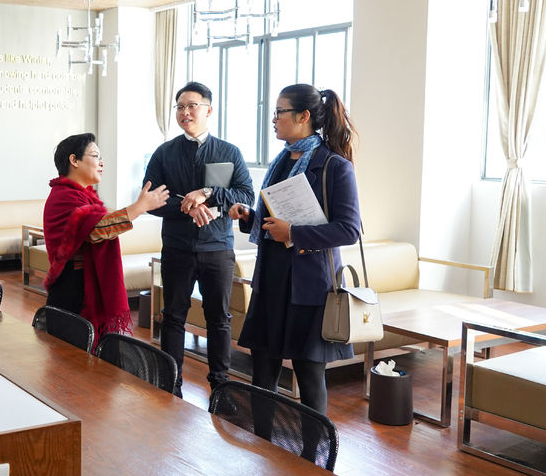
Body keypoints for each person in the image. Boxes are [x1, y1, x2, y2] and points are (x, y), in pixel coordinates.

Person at [228, 84, 361, 417]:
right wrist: (250, 218)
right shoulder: (280, 162)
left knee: (309, 378)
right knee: (262, 374)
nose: (273, 119)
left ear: (303, 116)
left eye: (279, 112)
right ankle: (262, 439)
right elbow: (277, 217)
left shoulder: (334, 166)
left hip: (310, 288)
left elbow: (349, 230)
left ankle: (315, 447)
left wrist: (293, 233)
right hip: (271, 280)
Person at [143, 82, 254, 397]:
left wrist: (208, 193)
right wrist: (188, 208)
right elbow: (150, 199)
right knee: (173, 316)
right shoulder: (164, 152)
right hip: (177, 247)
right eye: (180, 107)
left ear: (208, 110)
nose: (185, 112)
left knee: (219, 319)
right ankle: (172, 384)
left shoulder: (229, 152)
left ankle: (220, 386)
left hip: (217, 248)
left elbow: (246, 196)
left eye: (192, 105)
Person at [43, 133, 169, 349]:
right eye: (95, 156)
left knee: (90, 357)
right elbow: (97, 230)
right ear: (74, 160)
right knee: (71, 357)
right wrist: (139, 207)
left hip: (83, 286)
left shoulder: (82, 196)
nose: (101, 163)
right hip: (74, 290)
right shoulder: (64, 196)